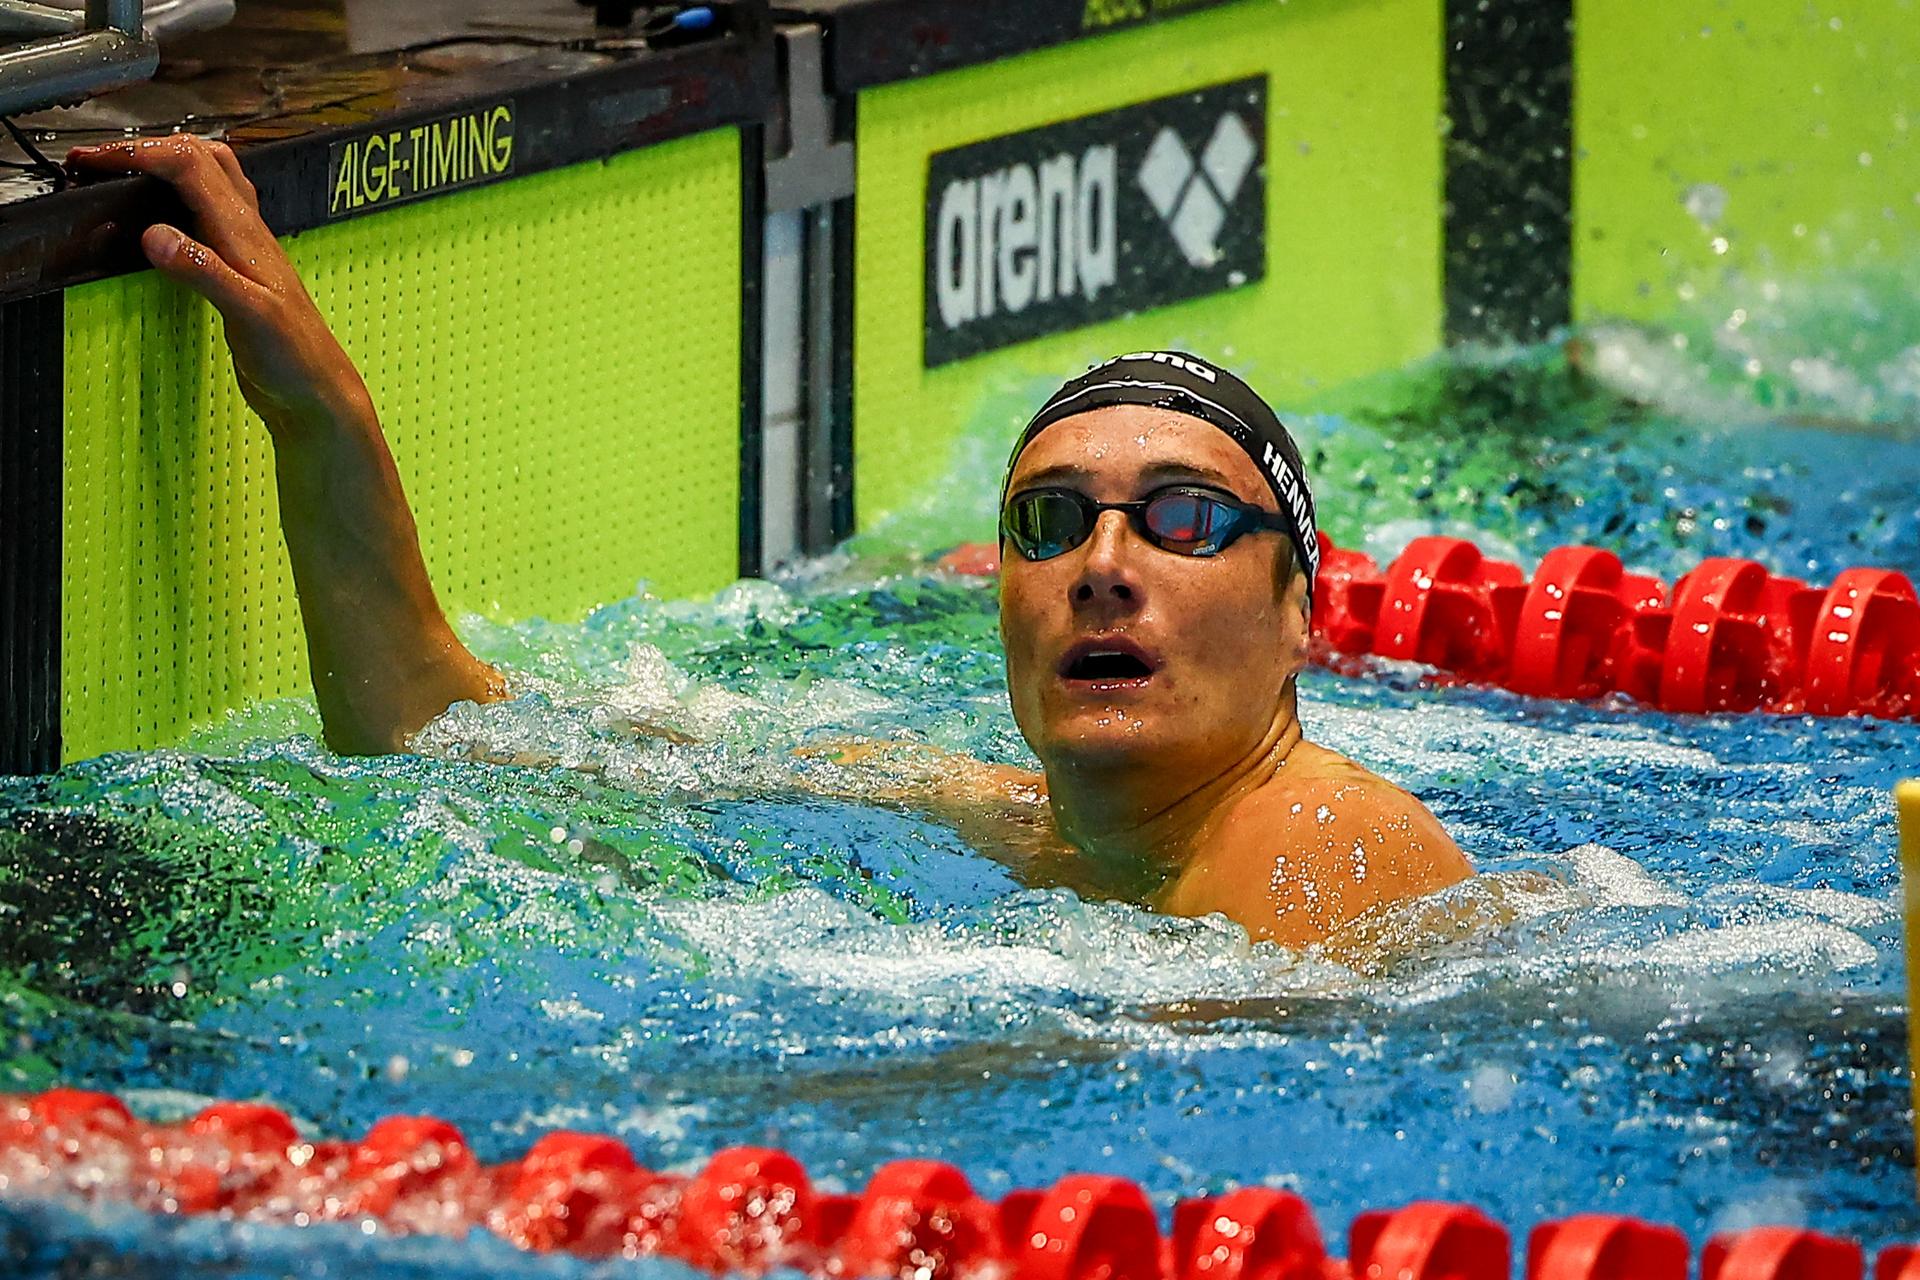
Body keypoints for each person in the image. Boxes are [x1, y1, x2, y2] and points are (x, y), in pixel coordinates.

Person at [66, 135, 1472, 948]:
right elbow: (433, 729)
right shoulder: (1001, 814)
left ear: (1308, 611)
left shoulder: (1328, 864)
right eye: (1049, 522)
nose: (1104, 563)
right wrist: (324, 418)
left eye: (1180, 518)